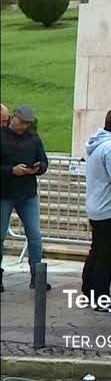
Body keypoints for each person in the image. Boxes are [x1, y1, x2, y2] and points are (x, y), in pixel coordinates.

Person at [82, 108, 111, 304]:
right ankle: (100, 296)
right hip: (110, 209)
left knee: (98, 251)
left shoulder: (97, 144)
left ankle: (89, 289)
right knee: (108, 255)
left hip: (96, 206)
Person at [0, 105, 49, 293]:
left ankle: (37, 276)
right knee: (0, 236)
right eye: (20, 123)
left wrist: (39, 167)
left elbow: (44, 161)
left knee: (35, 236)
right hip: (4, 193)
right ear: (13, 118)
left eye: (26, 124)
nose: (22, 127)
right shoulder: (2, 136)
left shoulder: (33, 139)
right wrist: (12, 170)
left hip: (28, 193)